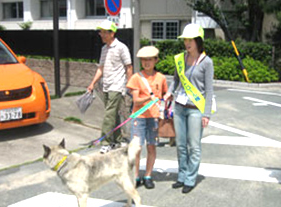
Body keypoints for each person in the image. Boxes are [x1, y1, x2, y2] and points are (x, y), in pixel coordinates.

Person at [164, 23, 214, 194]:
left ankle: (191, 179)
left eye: (190, 39)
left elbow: (209, 90)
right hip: (179, 107)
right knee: (180, 145)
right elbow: (176, 81)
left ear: (198, 41)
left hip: (195, 109)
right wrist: (169, 93)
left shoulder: (207, 62)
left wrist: (206, 114)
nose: (187, 43)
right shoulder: (180, 59)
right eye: (185, 39)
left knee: (194, 146)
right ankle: (182, 175)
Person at [87, 20, 133, 153]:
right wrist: (92, 83)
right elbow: (100, 68)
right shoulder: (104, 49)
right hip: (106, 86)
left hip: (117, 86)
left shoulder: (121, 47)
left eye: (104, 32)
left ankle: (106, 142)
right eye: (100, 32)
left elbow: (129, 67)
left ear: (112, 33)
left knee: (109, 114)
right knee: (114, 114)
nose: (101, 34)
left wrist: (129, 84)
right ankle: (117, 140)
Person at [126, 46, 168, 189]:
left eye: (149, 60)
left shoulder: (161, 78)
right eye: (143, 60)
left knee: (151, 147)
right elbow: (136, 100)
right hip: (139, 117)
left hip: (154, 117)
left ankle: (148, 175)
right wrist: (149, 99)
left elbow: (164, 96)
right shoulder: (136, 78)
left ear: (156, 60)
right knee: (136, 148)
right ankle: (136, 176)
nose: (146, 63)